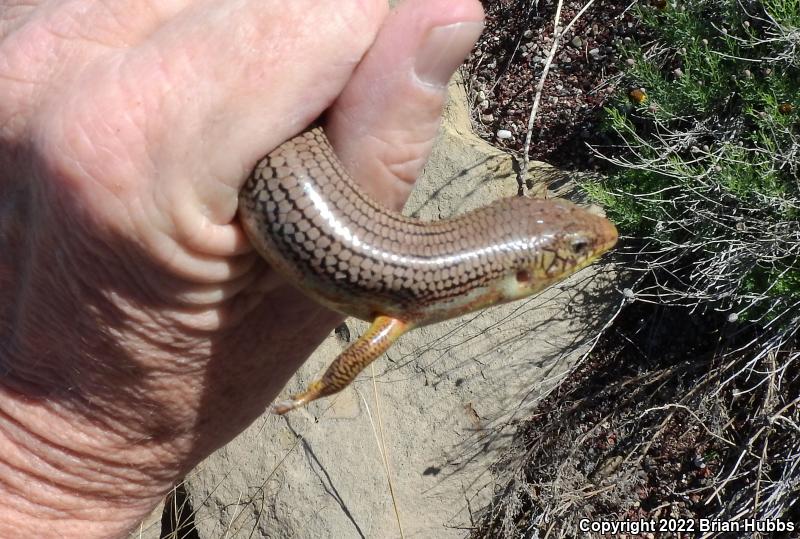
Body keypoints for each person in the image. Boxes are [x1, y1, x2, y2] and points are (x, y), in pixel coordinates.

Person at [0, 0, 484, 536]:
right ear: (522, 279)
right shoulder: (400, 312)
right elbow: (350, 360)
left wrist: (31, 480)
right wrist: (40, 484)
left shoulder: (400, 308)